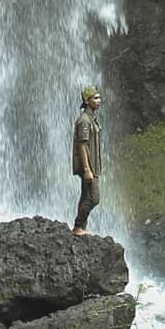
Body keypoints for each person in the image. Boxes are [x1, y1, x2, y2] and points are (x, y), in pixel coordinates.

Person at [72, 84, 103, 236]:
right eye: (95, 98)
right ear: (87, 100)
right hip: (88, 167)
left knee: (86, 195)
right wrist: (87, 170)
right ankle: (78, 225)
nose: (99, 100)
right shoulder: (84, 121)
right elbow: (82, 146)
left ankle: (80, 227)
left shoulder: (92, 119)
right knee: (94, 198)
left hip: (93, 165)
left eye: (99, 97)